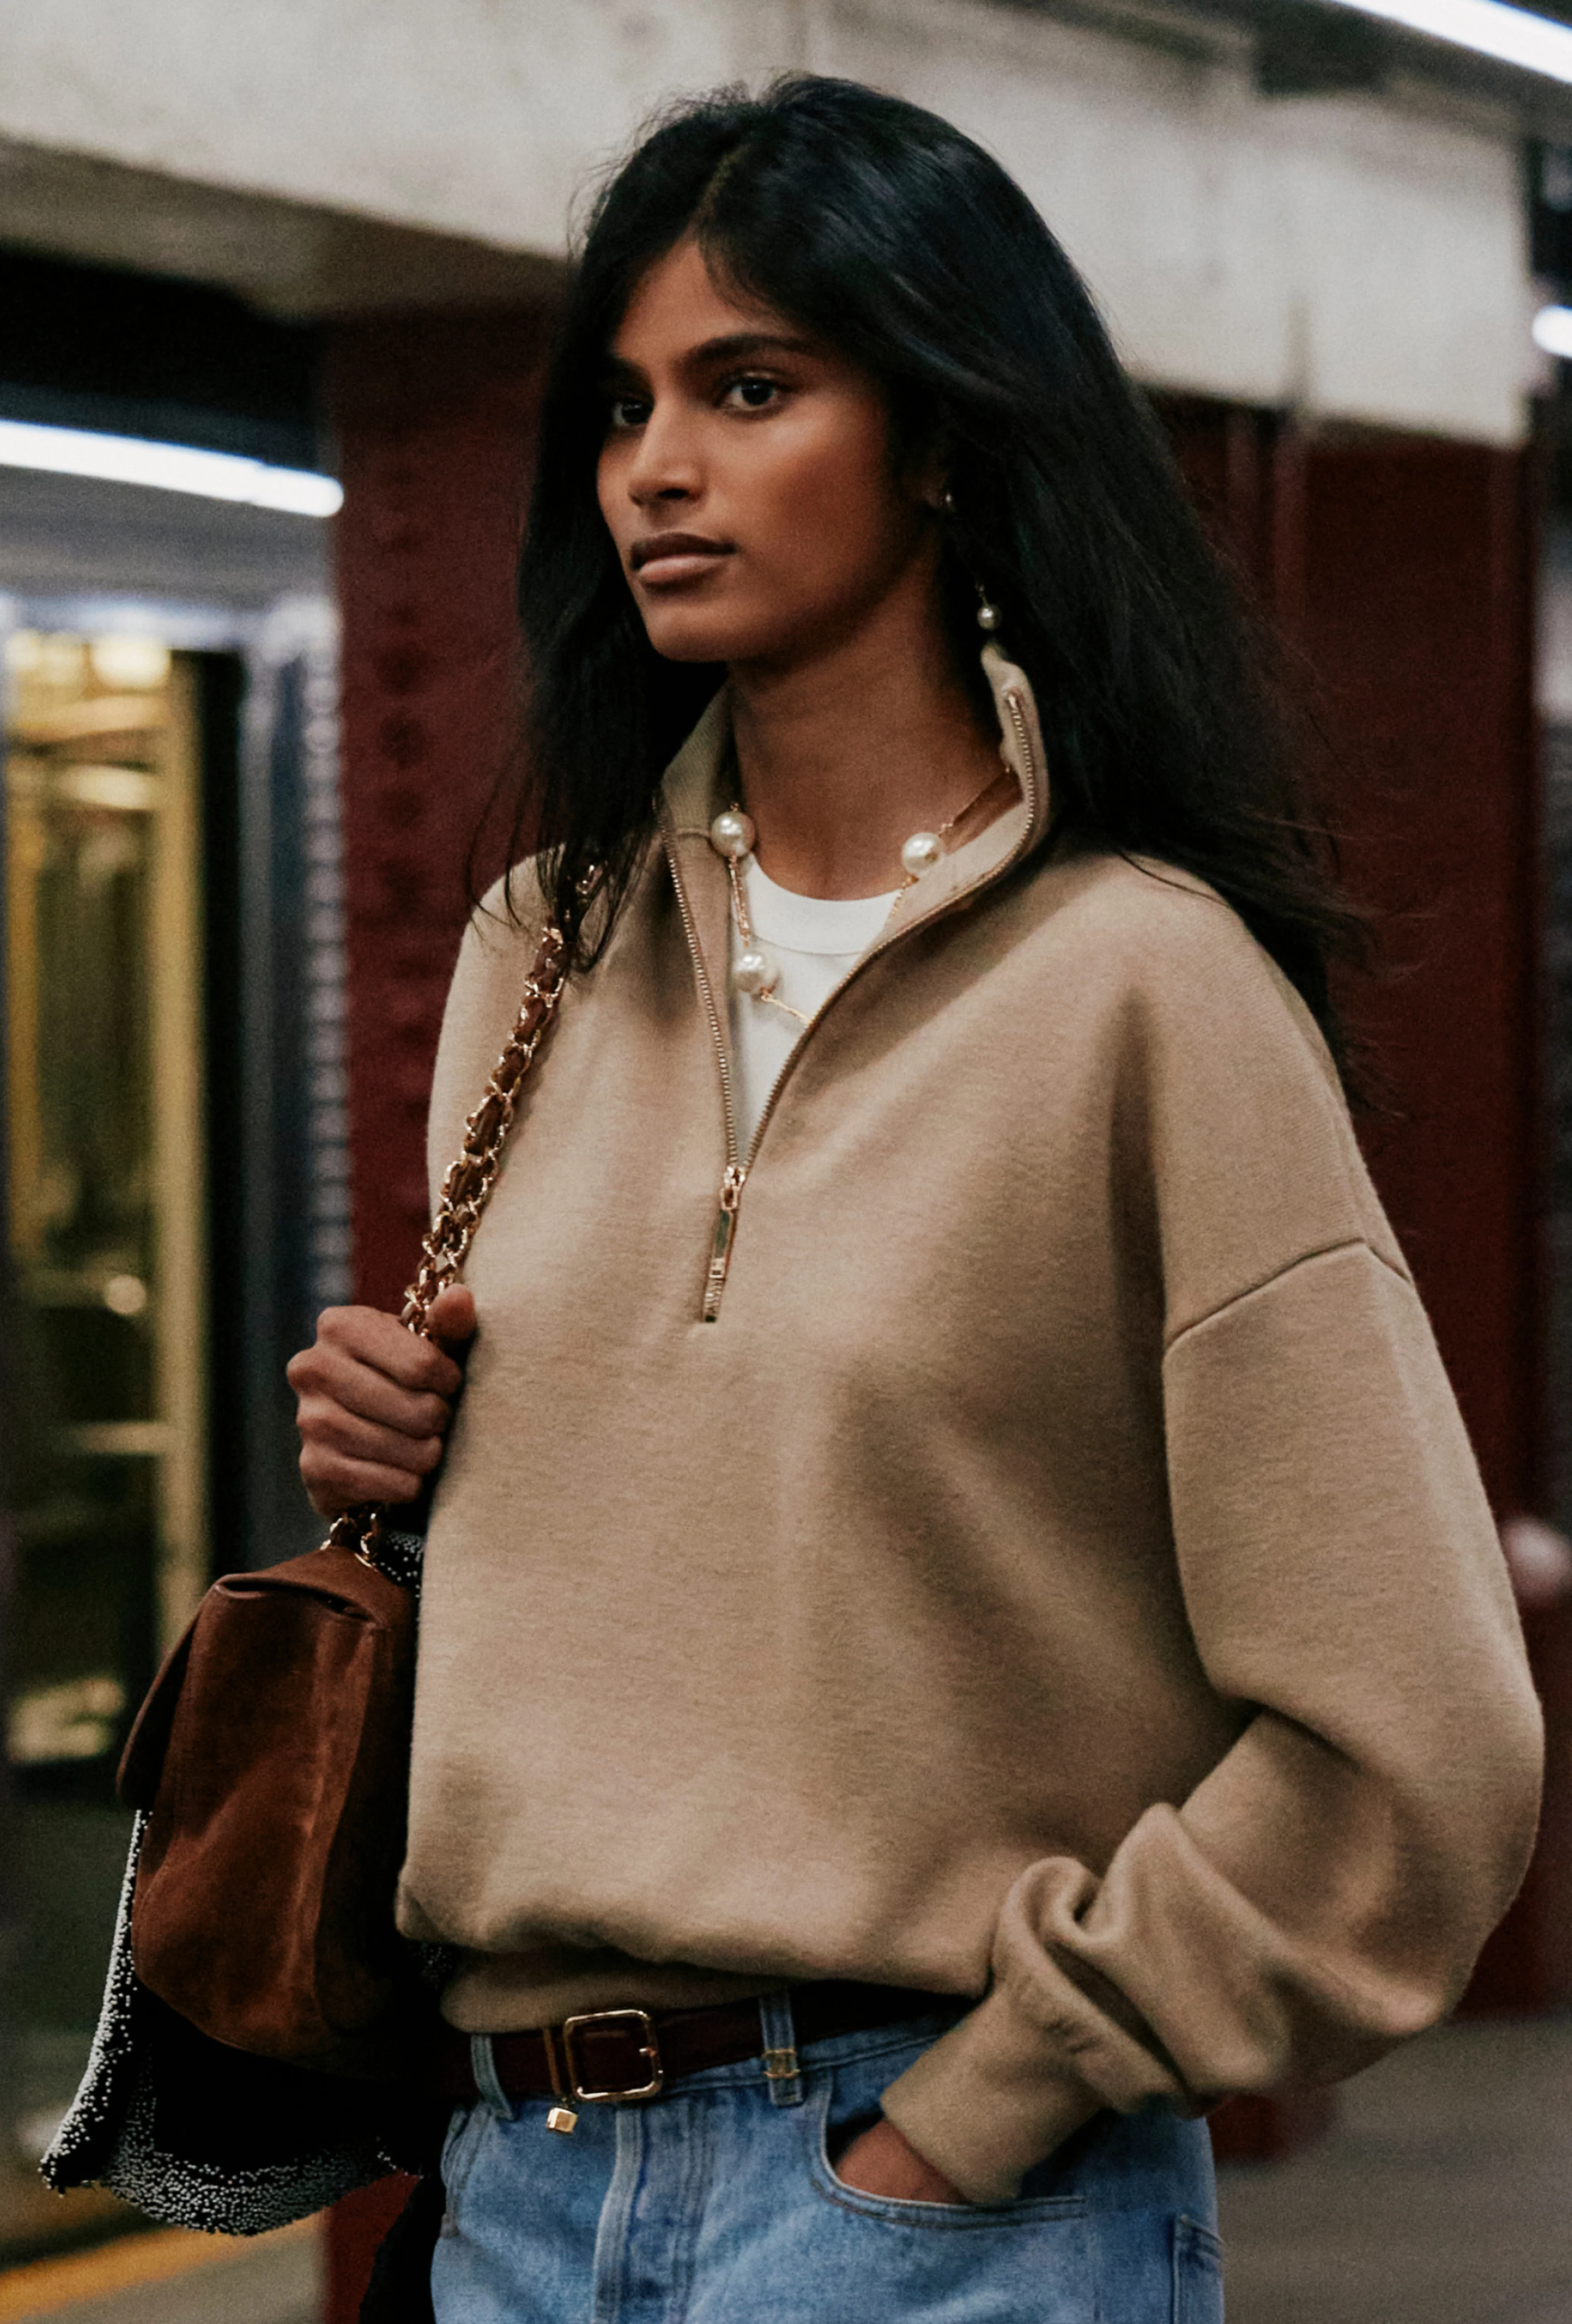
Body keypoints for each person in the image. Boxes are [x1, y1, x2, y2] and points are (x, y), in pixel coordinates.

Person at [285, 76, 1542, 2323]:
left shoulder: (1145, 990)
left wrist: (981, 2107)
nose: (655, 465)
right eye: (623, 405)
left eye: (749, 389)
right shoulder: (539, 953)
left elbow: (1414, 1745)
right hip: (515, 2193)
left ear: (945, 435)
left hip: (927, 2205)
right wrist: (412, 1447)